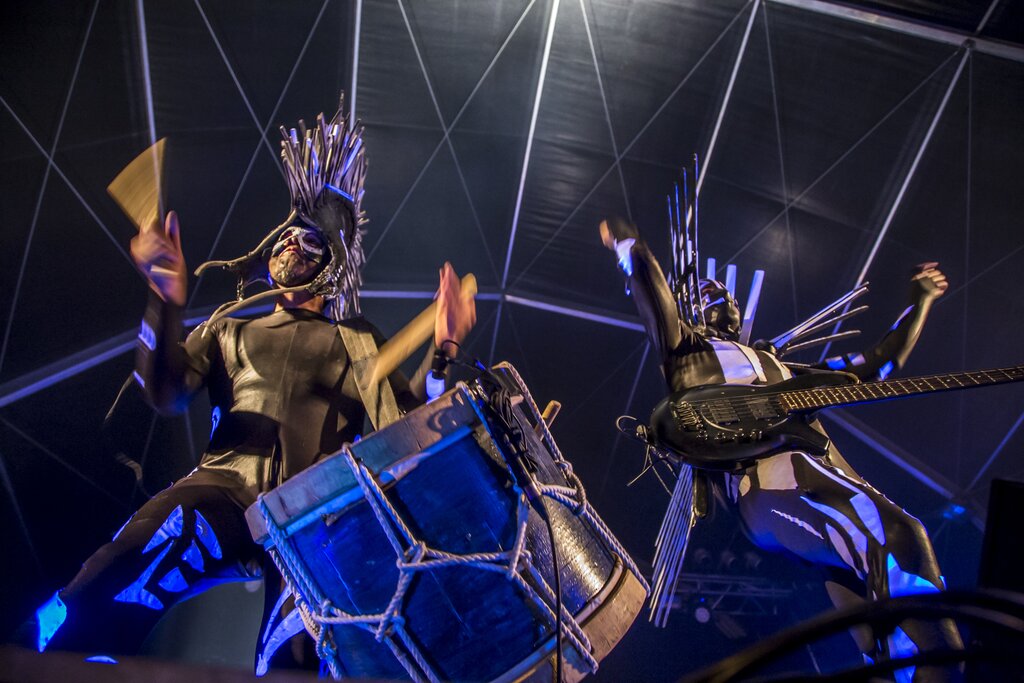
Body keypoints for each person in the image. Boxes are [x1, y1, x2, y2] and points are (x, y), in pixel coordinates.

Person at [20, 97, 476, 672]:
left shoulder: (358, 341)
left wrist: (444, 350)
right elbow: (164, 392)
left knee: (300, 653)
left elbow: (407, 431)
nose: (290, 246)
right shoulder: (228, 329)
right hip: (222, 489)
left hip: (314, 513)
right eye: (286, 237)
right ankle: (50, 660)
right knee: (112, 576)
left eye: (309, 242)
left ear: (333, 263)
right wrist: (163, 300)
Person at [600, 215, 962, 682]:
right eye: (706, 295)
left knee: (878, 622)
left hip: (809, 476)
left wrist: (921, 300)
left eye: (724, 295)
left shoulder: (787, 371)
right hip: (772, 479)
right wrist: (629, 243)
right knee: (899, 536)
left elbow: (876, 365)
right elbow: (654, 294)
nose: (719, 298)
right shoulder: (688, 352)